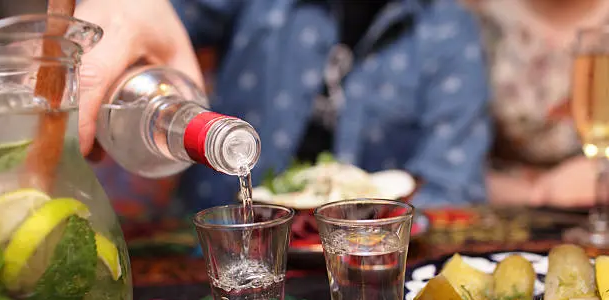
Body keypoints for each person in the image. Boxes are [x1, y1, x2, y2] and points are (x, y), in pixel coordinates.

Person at [76, 0, 492, 215]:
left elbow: (453, 189)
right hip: (211, 240)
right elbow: (164, 12)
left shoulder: (449, 31)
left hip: (358, 267)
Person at [465, 0, 606, 207]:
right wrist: (535, 194)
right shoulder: (474, 17)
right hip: (502, 207)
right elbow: (450, 150)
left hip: (594, 208)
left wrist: (600, 174)